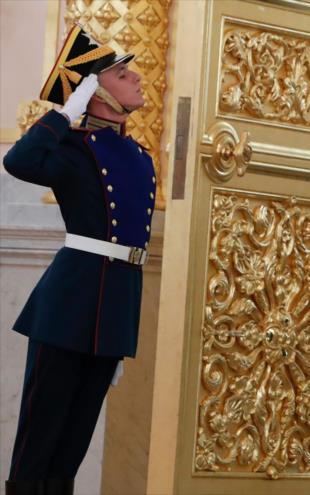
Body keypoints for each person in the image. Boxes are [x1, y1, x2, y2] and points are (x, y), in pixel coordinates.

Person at [3, 25, 154, 495]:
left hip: (111, 310)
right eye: (123, 74)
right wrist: (65, 112)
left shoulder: (138, 155)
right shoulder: (71, 148)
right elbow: (18, 163)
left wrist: (120, 316)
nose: (137, 79)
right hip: (68, 307)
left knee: (72, 446)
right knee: (39, 443)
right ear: (97, 92)